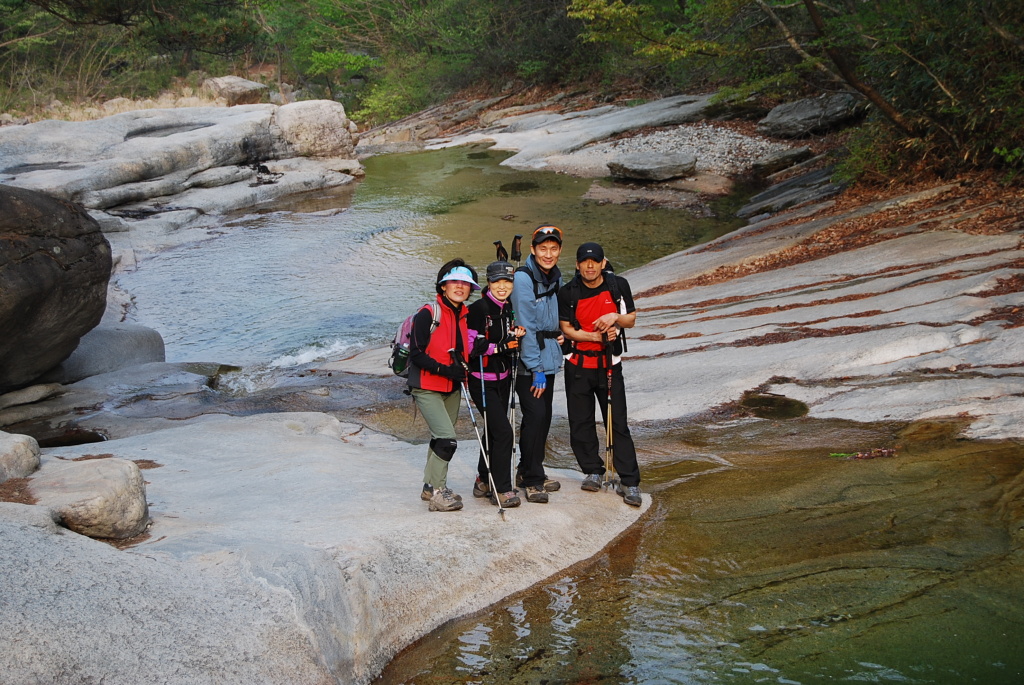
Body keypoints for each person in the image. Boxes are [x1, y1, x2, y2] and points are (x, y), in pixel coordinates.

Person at [558, 242, 642, 506]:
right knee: (580, 422)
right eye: (585, 261)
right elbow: (567, 329)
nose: (590, 266)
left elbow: (631, 319)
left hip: (609, 364)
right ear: (577, 264)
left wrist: (613, 317)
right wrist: (596, 335)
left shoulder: (618, 286)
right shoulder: (568, 292)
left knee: (617, 423)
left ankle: (629, 482)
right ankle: (592, 470)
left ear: (603, 263)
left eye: (595, 261)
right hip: (578, 366)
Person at [408, 258, 479, 512]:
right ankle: (439, 493)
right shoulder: (428, 313)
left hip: (452, 386)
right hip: (426, 384)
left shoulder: (464, 315)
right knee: (447, 439)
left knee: (440, 438)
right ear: (443, 286)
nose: (460, 287)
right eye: (454, 282)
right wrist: (444, 370)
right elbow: (416, 353)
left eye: (465, 283)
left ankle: (430, 487)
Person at [510, 225, 566, 503]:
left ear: (559, 251)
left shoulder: (554, 275)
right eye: (542, 248)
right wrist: (536, 369)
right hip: (529, 363)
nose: (548, 253)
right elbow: (526, 325)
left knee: (543, 417)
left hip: (549, 356)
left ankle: (530, 470)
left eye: (553, 248)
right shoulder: (523, 279)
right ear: (533, 250)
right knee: (534, 417)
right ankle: (532, 480)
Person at [467, 260, 526, 508]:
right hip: (481, 381)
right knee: (504, 433)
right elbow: (471, 347)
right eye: (497, 281)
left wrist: (516, 334)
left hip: (503, 380)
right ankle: (501, 488)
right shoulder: (478, 309)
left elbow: (507, 334)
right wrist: (500, 346)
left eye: (507, 281)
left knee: (493, 429)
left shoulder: (508, 308)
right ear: (488, 283)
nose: (502, 286)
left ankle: (482, 478)